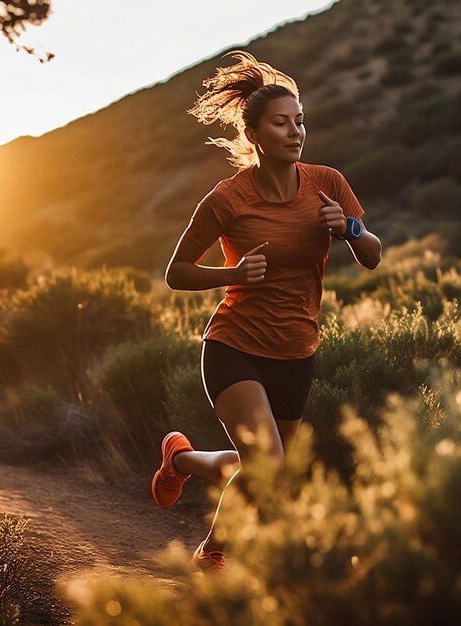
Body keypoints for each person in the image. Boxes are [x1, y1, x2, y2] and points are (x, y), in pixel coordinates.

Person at [150, 51, 382, 572]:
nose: (296, 132)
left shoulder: (328, 183)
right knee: (268, 462)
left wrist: (348, 228)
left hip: (297, 351)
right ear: (254, 135)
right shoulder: (227, 199)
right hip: (234, 346)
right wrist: (231, 275)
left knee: (268, 470)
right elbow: (177, 271)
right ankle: (214, 552)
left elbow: (373, 255)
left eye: (300, 121)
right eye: (282, 123)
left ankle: (181, 459)